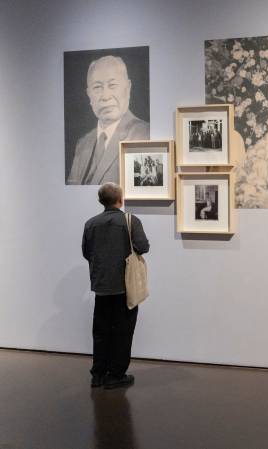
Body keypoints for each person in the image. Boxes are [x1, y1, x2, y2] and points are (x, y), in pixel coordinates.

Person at [82, 182, 149, 389]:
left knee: (101, 332)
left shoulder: (91, 224)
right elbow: (143, 247)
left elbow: (86, 252)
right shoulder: (131, 221)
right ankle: (116, 375)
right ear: (120, 200)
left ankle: (98, 374)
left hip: (101, 286)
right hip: (125, 286)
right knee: (122, 331)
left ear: (101, 201)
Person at [67, 56, 150, 185]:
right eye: (97, 87)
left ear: (128, 88)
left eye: (112, 85)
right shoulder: (83, 144)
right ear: (89, 95)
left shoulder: (144, 135)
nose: (105, 96)